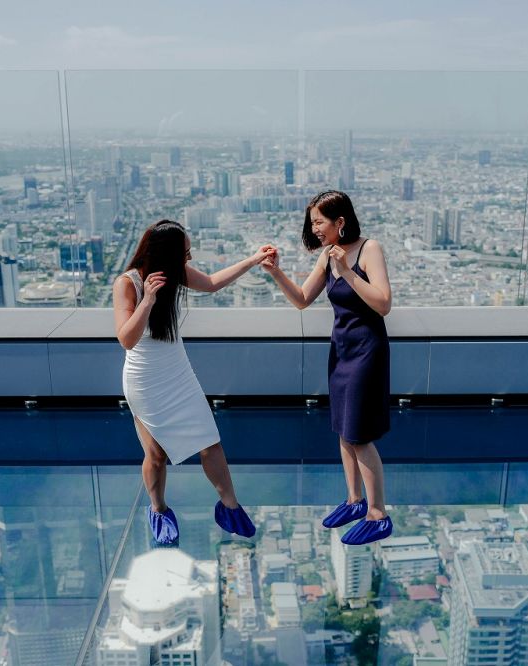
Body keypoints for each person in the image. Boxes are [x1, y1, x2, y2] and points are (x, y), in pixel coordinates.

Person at [113, 219, 275, 545]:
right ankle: (158, 510)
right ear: (165, 254)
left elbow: (213, 282)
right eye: (184, 253)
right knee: (156, 455)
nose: (188, 259)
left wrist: (254, 259)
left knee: (209, 442)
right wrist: (148, 300)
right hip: (144, 380)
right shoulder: (127, 283)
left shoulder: (176, 273)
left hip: (177, 373)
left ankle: (230, 507)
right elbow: (126, 339)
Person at [262, 190, 393, 545]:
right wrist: (276, 273)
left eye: (319, 221)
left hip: (367, 350)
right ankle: (354, 500)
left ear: (340, 221)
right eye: (312, 222)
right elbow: (302, 299)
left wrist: (347, 272)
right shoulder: (326, 256)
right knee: (343, 428)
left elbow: (383, 303)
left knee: (359, 433)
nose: (314, 228)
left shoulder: (369, 249)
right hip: (341, 349)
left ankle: (377, 513)